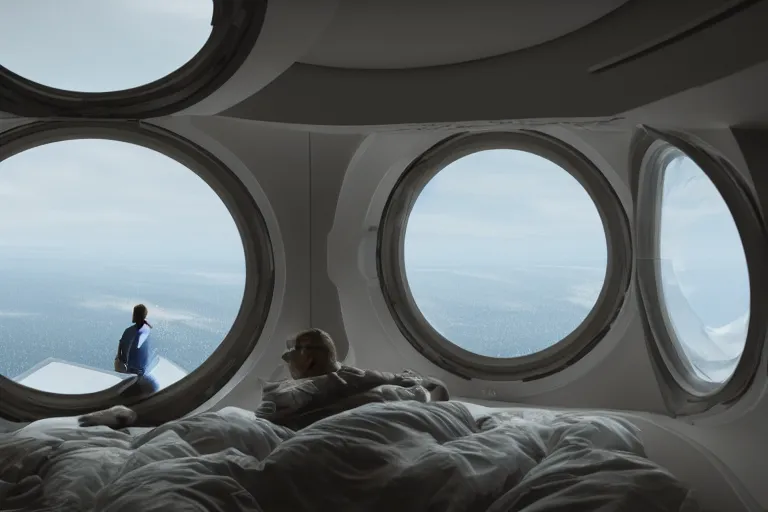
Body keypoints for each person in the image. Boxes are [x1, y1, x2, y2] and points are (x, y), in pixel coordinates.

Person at [115, 304, 159, 396]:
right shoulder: (147, 330)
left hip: (132, 375)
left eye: (134, 314)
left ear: (136, 315)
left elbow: (122, 353)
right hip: (141, 374)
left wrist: (120, 361)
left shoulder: (130, 332)